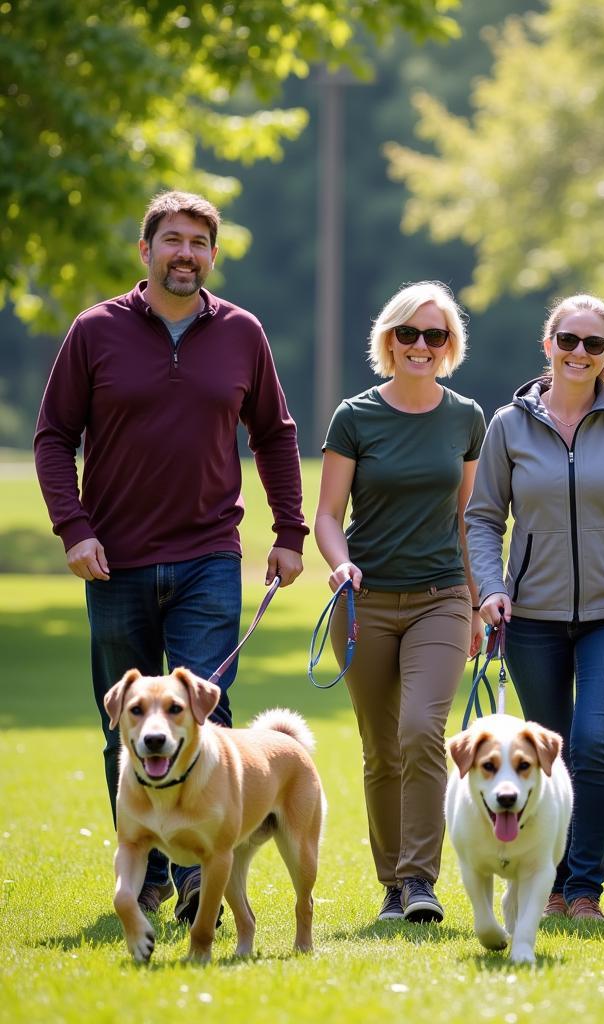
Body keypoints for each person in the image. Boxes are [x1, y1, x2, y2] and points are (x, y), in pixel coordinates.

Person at [34, 190, 307, 925]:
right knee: (123, 721)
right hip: (113, 560)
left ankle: (200, 878)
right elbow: (54, 438)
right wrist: (74, 528)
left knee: (205, 717)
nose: (184, 253)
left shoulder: (242, 333)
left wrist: (289, 534)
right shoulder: (95, 331)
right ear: (146, 250)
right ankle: (147, 873)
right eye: (172, 240)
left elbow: (275, 436)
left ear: (212, 257)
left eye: (198, 243)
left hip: (210, 556)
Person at [466, 293, 604, 921]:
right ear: (547, 345)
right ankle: (549, 884)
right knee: (546, 756)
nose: (579, 353)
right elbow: (481, 517)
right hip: (529, 619)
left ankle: (585, 890)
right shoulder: (508, 424)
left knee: (592, 743)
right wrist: (491, 589)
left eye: (594, 344)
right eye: (568, 340)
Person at [314, 281, 485, 924]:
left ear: (449, 345)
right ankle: (391, 884)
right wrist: (341, 564)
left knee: (421, 732)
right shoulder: (354, 417)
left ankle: (419, 882)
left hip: (441, 599)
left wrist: (477, 601)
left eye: (434, 335)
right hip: (365, 603)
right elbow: (327, 515)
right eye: (407, 333)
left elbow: (473, 517)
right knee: (381, 748)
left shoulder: (466, 417)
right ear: (389, 340)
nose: (420, 345)